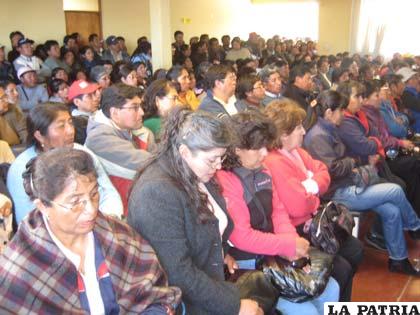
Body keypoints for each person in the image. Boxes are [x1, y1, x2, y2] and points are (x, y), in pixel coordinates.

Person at [0, 148, 181, 313]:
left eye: (94, 194)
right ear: (43, 206)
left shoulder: (116, 233)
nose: (92, 210)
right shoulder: (20, 267)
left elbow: (154, 296)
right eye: (75, 202)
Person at [128, 108, 263, 315]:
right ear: (184, 152)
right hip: (184, 302)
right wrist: (234, 306)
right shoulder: (155, 193)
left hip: (210, 282)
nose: (218, 166)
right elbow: (176, 272)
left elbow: (207, 225)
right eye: (213, 159)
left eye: (221, 158)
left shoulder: (193, 171)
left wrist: (220, 252)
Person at [217, 110, 339, 314]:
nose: (265, 153)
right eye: (258, 148)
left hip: (274, 250)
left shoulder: (262, 169)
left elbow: (278, 213)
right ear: (237, 149)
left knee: (331, 288)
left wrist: (294, 248)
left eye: (266, 146)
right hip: (248, 262)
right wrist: (288, 245)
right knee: (306, 311)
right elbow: (242, 237)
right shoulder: (224, 180)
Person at [305, 89, 420, 276]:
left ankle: (398, 260)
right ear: (328, 113)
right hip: (338, 192)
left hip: (349, 182)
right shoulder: (318, 136)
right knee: (396, 190)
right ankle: (415, 226)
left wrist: (353, 165)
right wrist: (353, 163)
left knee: (392, 210)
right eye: (340, 110)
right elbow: (331, 170)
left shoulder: (329, 129)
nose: (343, 113)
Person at [263, 98, 364, 301]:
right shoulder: (274, 161)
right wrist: (312, 189)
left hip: (316, 220)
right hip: (300, 228)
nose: (304, 131)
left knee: (355, 249)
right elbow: (298, 206)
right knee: (342, 269)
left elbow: (323, 172)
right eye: (299, 127)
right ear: (283, 134)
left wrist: (311, 186)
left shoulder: (297, 152)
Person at [7, 102, 123, 223]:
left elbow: (107, 190)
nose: (70, 131)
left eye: (70, 123)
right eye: (61, 126)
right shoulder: (22, 169)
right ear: (40, 135)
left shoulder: (81, 151)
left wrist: (111, 217)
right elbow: (30, 220)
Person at [85, 84, 154, 214]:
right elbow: (148, 165)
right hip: (123, 212)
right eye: (135, 108)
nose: (142, 112)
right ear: (115, 113)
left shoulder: (138, 131)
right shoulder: (98, 138)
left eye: (140, 106)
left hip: (140, 199)